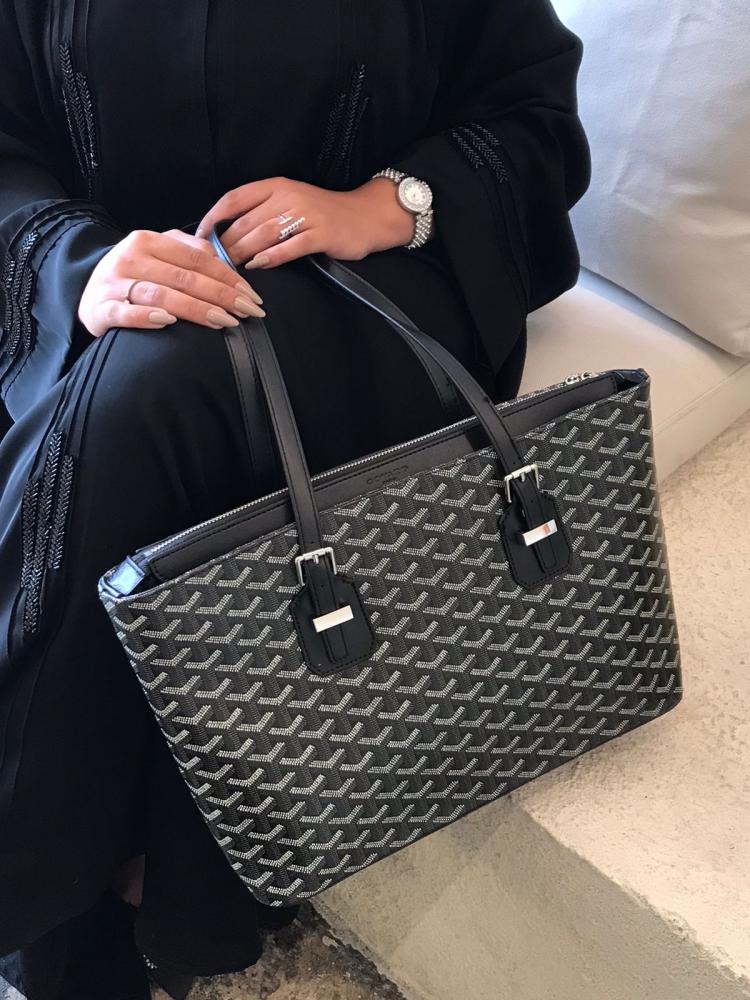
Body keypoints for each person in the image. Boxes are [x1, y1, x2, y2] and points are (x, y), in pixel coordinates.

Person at [0, 1, 591, 997]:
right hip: (111, 302)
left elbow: (533, 119)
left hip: (376, 293)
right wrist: (81, 266)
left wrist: (392, 200)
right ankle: (106, 914)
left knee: (151, 392)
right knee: (141, 376)